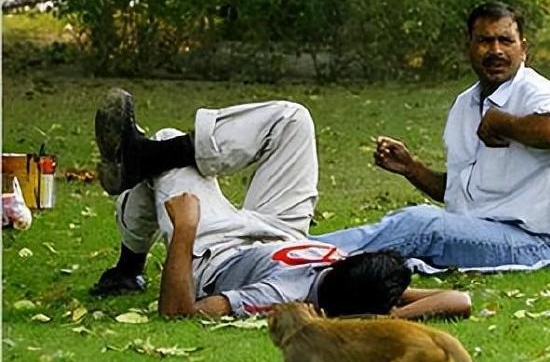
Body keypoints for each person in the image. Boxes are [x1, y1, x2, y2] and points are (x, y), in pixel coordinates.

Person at [90, 89, 470, 320]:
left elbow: (179, 312)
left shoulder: (281, 297)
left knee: (167, 144)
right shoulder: (358, 285)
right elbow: (459, 300)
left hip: (219, 249)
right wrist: (391, 317)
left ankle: (128, 265)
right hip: (282, 231)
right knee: (292, 119)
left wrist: (185, 232)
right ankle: (146, 157)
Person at [311, 1, 550, 268]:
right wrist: (411, 168)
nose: (495, 50)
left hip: (533, 244)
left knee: (420, 224)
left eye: (505, 41)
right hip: (479, 233)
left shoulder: (533, 90)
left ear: (523, 49)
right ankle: (305, 252)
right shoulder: (464, 104)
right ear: (468, 47)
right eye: (484, 41)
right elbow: (460, 193)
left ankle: (300, 253)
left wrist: (503, 124)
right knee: (408, 228)